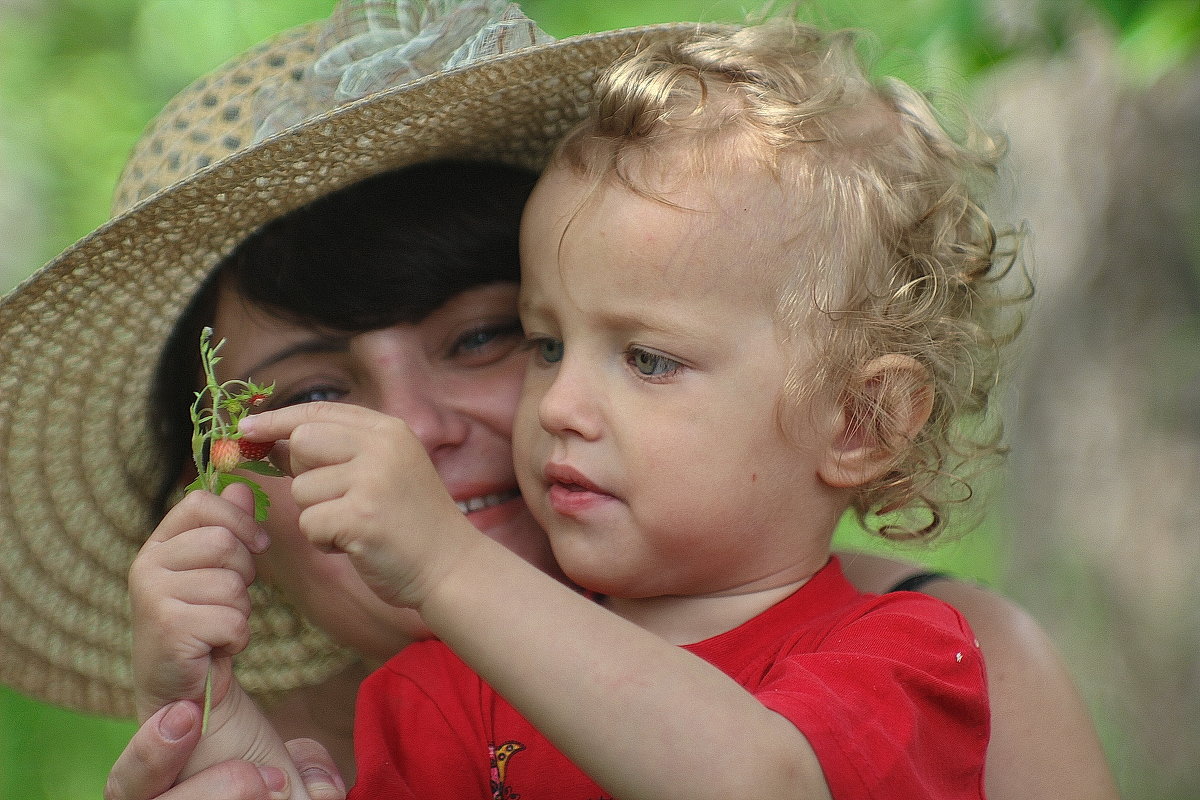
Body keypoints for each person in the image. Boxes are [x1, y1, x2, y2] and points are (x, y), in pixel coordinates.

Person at [0, 2, 1116, 799]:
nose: (406, 436)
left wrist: (448, 566)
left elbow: (759, 774)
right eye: (541, 342)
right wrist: (215, 741)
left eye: (480, 335)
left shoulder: (921, 650)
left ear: (861, 421)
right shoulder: (436, 707)